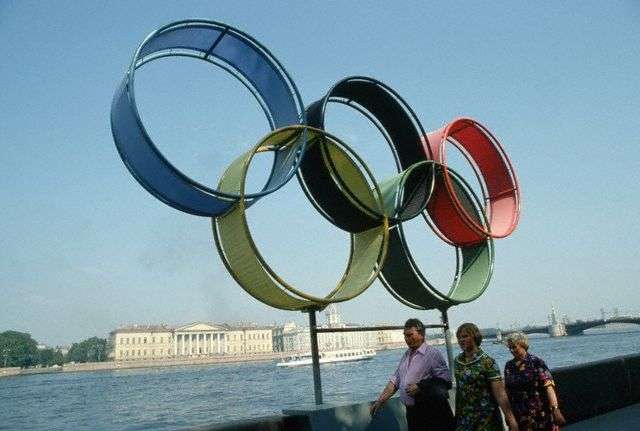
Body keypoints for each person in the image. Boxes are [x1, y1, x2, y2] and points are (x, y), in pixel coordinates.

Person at [370, 318, 454, 431]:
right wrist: (380, 400)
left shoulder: (433, 354)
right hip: (413, 413)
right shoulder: (406, 355)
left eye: (410, 335)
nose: (406, 339)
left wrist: (421, 386)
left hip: (432, 412)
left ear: (421, 334)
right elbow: (395, 380)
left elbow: (446, 380)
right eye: (405, 335)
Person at [454, 323, 518, 431]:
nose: (461, 340)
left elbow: (500, 394)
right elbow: (459, 392)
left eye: (465, 336)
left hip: (486, 419)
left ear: (474, 337)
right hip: (464, 419)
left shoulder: (487, 362)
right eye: (459, 337)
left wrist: (511, 419)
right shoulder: (458, 361)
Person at [504, 332, 565, 430]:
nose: (512, 350)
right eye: (510, 348)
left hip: (539, 413)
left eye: (514, 347)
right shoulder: (509, 366)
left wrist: (555, 409)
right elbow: (507, 391)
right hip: (520, 415)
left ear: (523, 345)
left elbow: (548, 386)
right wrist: (508, 416)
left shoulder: (536, 362)